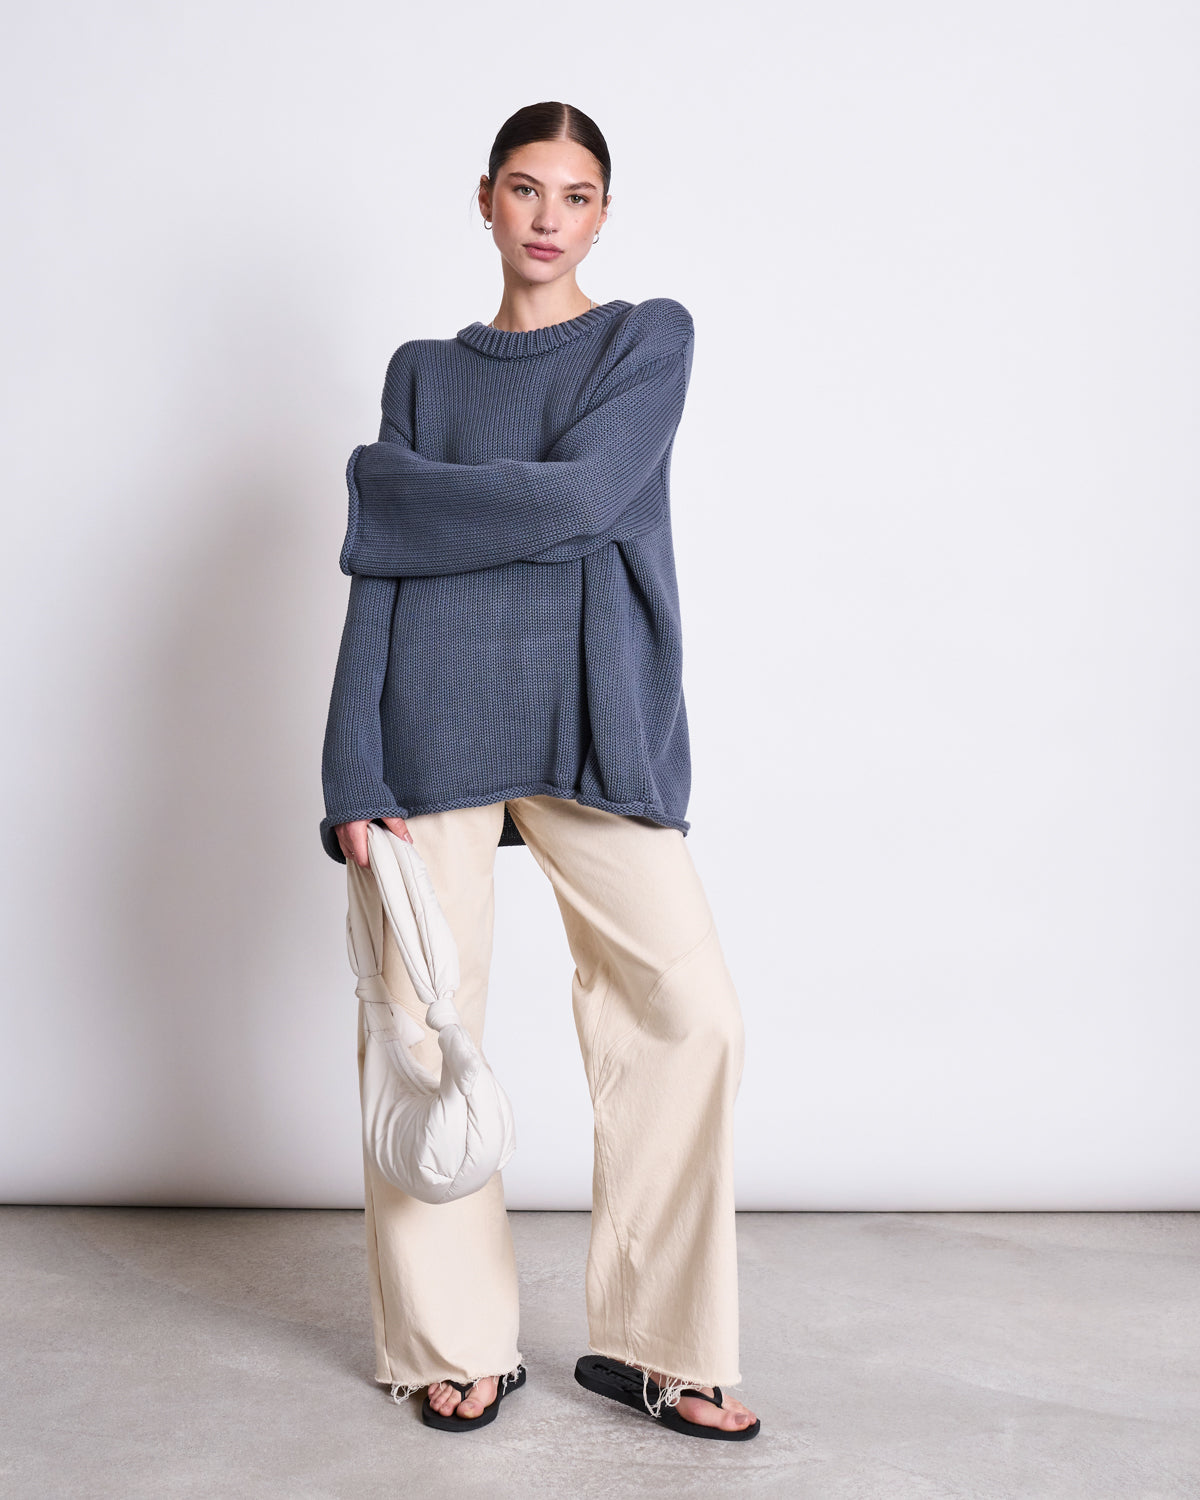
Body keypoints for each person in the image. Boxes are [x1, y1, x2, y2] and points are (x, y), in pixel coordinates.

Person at [320, 100, 760, 1441]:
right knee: (415, 1027)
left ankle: (660, 1344)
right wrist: (349, 770)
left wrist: (395, 489)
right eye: (524, 188)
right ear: (486, 201)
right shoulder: (422, 374)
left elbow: (579, 499)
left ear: (602, 214)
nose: (548, 216)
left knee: (687, 1009)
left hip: (591, 722)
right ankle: (454, 1342)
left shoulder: (649, 339)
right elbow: (376, 565)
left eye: (574, 194)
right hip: (429, 722)